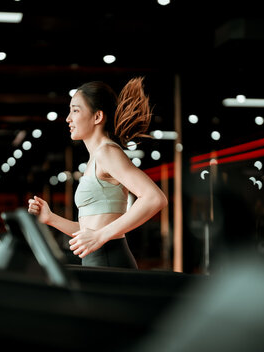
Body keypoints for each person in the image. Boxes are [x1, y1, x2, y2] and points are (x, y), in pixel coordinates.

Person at [27, 77, 168, 269]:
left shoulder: (107, 152)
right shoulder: (96, 158)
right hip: (100, 259)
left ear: (97, 117)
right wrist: (50, 218)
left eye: (75, 110)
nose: (68, 118)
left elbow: (154, 198)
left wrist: (100, 236)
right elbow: (90, 231)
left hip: (109, 259)